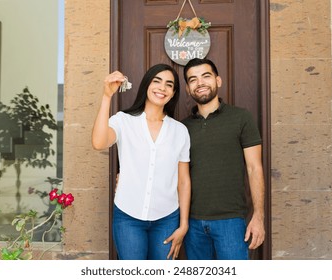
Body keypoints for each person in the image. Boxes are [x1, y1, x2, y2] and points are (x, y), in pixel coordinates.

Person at [91, 64, 191, 260]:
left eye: (169, 85)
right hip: (128, 217)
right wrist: (106, 97)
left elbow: (184, 181)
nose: (162, 88)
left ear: (173, 93)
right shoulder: (123, 121)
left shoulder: (180, 131)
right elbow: (98, 142)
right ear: (147, 85)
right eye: (157, 81)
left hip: (167, 218)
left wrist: (184, 224)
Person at [181, 58, 265, 260]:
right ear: (187, 89)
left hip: (231, 221)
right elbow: (166, 168)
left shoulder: (241, 118)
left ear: (218, 81)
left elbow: (254, 168)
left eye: (206, 76)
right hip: (191, 222)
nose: (200, 83)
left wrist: (258, 216)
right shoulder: (181, 128)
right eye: (193, 79)